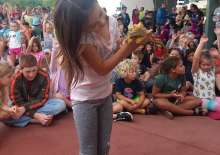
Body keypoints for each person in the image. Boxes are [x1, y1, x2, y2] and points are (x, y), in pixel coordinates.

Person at [54, 0, 150, 154]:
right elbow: (102, 68)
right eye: (93, 25)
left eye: (100, 14)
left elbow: (116, 48)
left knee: (104, 146)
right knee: (89, 150)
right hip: (84, 99)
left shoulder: (111, 22)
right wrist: (128, 48)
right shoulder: (83, 39)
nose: (100, 22)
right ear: (80, 28)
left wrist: (130, 40)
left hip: (105, 94)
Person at [6, 54, 66, 127]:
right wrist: (35, 115)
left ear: (37, 67)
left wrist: (25, 109)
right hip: (20, 105)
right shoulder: (15, 79)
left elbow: (42, 99)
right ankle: (36, 119)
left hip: (36, 104)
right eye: (27, 72)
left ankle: (29, 119)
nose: (31, 74)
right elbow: (17, 103)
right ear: (21, 70)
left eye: (34, 70)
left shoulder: (44, 76)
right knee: (5, 117)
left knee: (60, 104)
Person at [192, 35, 220, 114]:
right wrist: (201, 43)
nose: (206, 67)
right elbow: (195, 58)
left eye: (208, 65)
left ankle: (203, 110)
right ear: (200, 64)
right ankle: (201, 109)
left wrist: (218, 36)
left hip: (212, 98)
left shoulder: (212, 71)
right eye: (203, 64)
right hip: (200, 99)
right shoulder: (196, 71)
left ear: (211, 64)